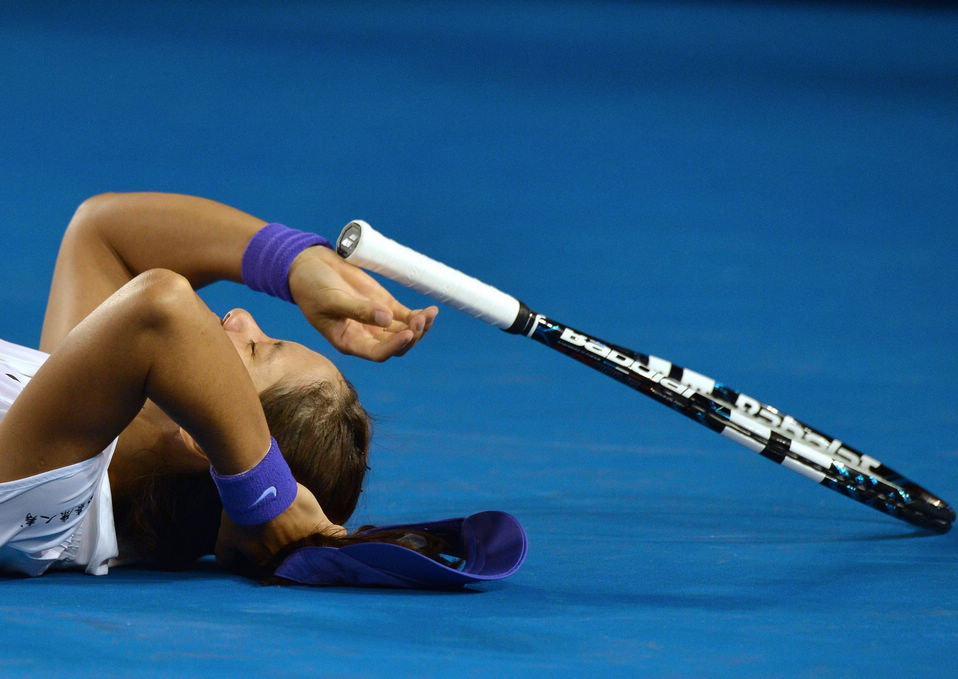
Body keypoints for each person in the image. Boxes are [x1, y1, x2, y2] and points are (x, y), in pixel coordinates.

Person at [0, 192, 439, 578]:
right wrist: (297, 264)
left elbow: (162, 308)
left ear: (205, 441)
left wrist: (264, 494)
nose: (241, 318)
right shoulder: (81, 423)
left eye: (253, 350)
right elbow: (102, 234)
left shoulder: (52, 499)